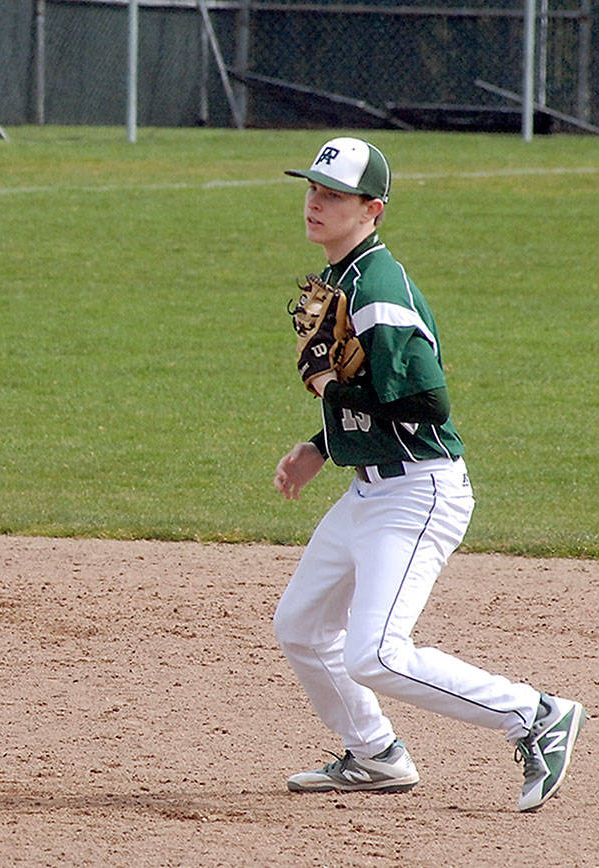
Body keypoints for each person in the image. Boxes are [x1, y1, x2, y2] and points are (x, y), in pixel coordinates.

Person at [271, 137, 585, 812]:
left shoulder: (379, 293)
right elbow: (373, 392)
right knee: (301, 623)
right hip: (370, 489)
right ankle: (375, 754)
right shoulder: (344, 280)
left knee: (376, 653)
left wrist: (331, 389)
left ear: (372, 209)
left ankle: (535, 715)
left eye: (335, 195)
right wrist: (321, 445)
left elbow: (427, 403)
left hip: (418, 492)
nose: (316, 203)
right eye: (313, 189)